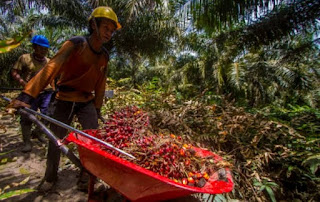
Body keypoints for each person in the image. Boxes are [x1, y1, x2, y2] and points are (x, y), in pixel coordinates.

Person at [8, 6, 121, 191]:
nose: (109, 33)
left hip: (86, 101)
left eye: (112, 30)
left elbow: (101, 84)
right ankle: (50, 177)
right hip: (64, 97)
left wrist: (98, 109)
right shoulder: (76, 44)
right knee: (56, 140)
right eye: (106, 28)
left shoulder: (104, 56)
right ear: (94, 24)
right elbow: (51, 68)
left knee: (93, 140)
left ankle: (86, 177)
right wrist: (26, 96)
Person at [11, 35, 53, 152]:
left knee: (48, 114)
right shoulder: (25, 58)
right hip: (30, 92)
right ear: (34, 47)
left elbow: (52, 77)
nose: (43, 51)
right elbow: (14, 72)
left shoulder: (49, 61)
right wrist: (23, 83)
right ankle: (27, 142)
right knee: (27, 116)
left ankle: (38, 132)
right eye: (41, 48)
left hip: (46, 92)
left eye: (45, 49)